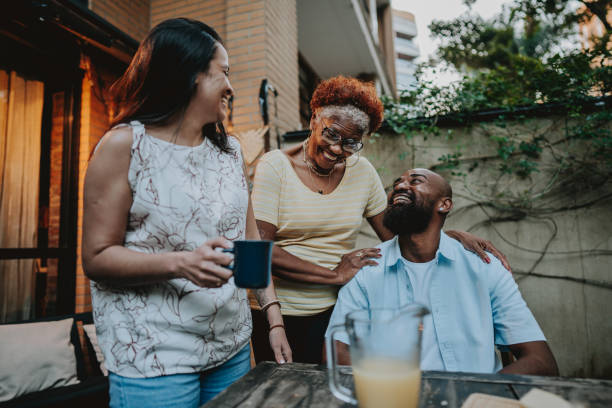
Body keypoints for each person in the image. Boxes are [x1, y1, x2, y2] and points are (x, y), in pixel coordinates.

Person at [82, 18, 291, 408]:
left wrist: (273, 320)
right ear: (188, 76)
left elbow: (249, 244)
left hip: (230, 348)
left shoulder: (229, 151)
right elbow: (96, 258)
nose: (230, 86)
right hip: (155, 354)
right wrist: (182, 263)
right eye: (222, 73)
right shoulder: (124, 146)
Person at [250, 76, 510, 364]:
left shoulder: (361, 172)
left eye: (351, 143)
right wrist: (334, 275)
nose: (338, 149)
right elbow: (258, 250)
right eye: (332, 134)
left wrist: (451, 237)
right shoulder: (275, 166)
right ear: (313, 120)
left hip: (334, 310)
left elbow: (397, 234)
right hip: (277, 312)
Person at [326, 168, 559, 375]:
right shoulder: (366, 268)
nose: (399, 186)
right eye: (396, 183)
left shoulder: (483, 266)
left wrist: (477, 398)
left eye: (416, 180)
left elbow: (540, 361)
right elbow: (336, 354)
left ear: (444, 204)